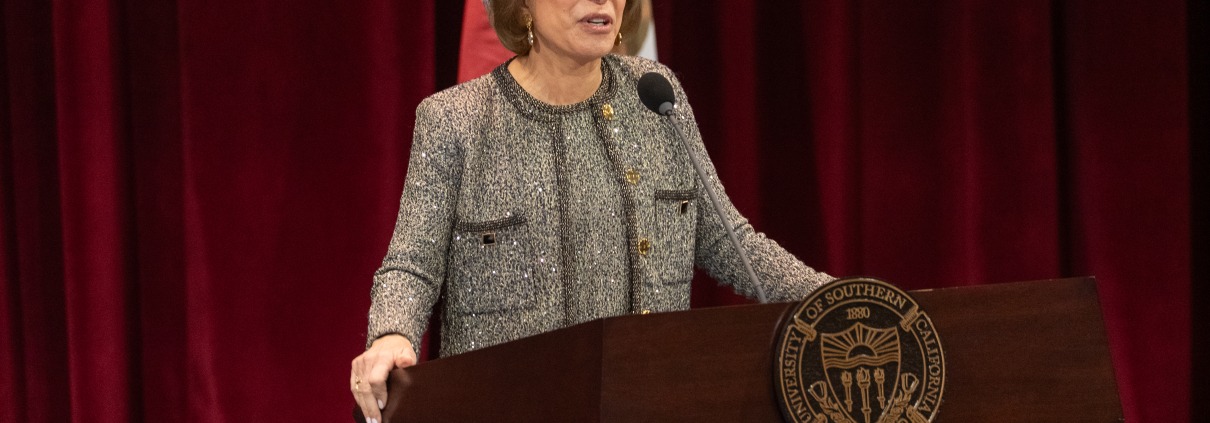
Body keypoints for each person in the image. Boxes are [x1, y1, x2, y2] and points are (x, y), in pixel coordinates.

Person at [349, 0, 834, 421]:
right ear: (522, 7)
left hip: (648, 403)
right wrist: (391, 334)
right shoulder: (456, 121)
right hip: (505, 406)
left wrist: (837, 299)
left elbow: (732, 242)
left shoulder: (655, 97)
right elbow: (412, 266)